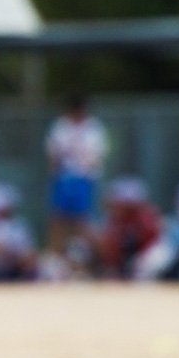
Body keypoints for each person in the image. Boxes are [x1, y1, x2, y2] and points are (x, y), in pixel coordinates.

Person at [45, 95, 108, 256]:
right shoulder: (61, 126)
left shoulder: (93, 128)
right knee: (58, 219)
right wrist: (57, 175)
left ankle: (95, 257)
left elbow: (96, 156)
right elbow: (54, 154)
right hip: (64, 177)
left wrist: (86, 173)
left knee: (82, 220)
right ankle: (55, 258)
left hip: (83, 178)